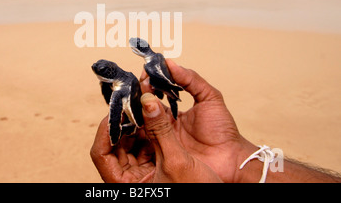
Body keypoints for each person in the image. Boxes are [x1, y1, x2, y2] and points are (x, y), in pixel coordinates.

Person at [90, 59, 341, 183]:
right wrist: (235, 156)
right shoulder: (128, 82)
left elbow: (115, 111)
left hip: (137, 126)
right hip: (139, 125)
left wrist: (117, 128)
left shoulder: (124, 87)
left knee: (122, 117)